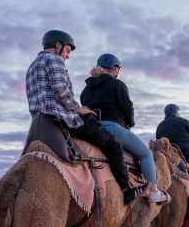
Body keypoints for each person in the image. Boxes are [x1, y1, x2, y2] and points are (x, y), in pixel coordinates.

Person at [26, 30, 146, 205]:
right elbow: (61, 90)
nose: (67, 56)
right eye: (67, 50)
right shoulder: (53, 59)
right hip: (63, 117)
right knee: (113, 144)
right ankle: (126, 189)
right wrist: (79, 109)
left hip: (39, 121)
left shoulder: (32, 66)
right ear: (57, 45)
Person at [80, 53, 168, 203]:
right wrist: (130, 122)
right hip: (111, 127)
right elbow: (128, 107)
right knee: (145, 153)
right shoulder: (117, 85)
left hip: (90, 128)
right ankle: (154, 191)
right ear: (115, 69)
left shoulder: (86, 90)